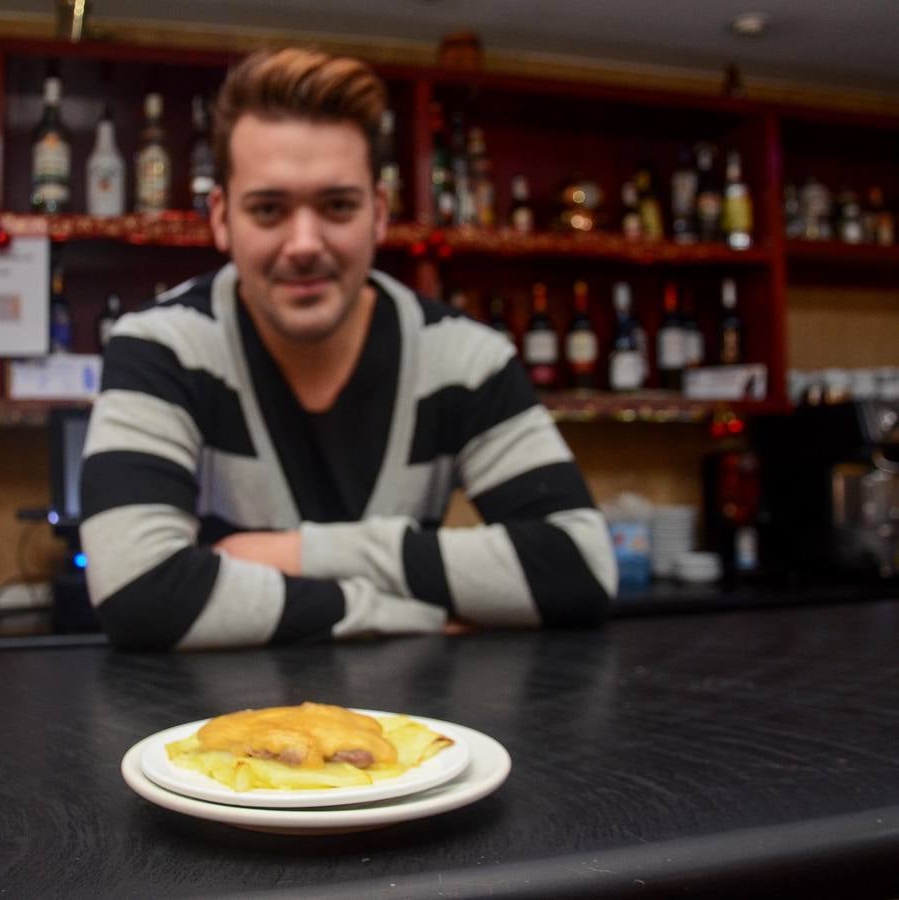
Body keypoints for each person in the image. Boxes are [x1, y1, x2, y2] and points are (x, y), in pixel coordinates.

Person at [80, 48, 616, 650]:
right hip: (216, 712)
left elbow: (579, 569)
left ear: (378, 214)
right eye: (268, 209)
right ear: (222, 219)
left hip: (418, 710)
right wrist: (395, 612)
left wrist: (299, 553)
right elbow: (138, 593)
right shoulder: (162, 348)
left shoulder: (468, 358)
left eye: (337, 206)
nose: (305, 243)